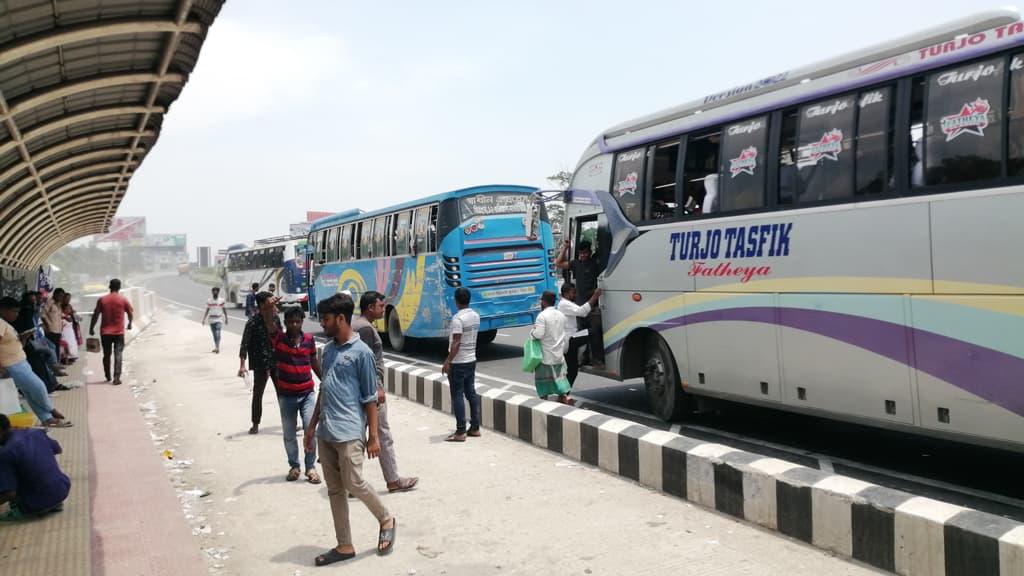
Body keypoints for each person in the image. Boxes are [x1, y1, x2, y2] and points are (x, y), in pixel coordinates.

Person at [305, 293, 396, 566]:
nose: (322, 323)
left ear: (341, 319)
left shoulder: (362, 354)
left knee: (354, 482)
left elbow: (371, 397)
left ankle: (386, 518)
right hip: (326, 432)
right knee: (335, 490)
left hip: (349, 431)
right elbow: (324, 389)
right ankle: (344, 545)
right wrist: (311, 428)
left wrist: (373, 437)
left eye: (326, 318)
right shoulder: (330, 349)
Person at [352, 291, 418, 492]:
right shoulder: (364, 329)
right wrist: (377, 387)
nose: (383, 310)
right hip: (371, 391)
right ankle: (392, 480)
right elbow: (367, 363)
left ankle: (352, 483)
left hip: (363, 390)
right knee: (382, 434)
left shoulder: (359, 325)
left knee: (358, 436)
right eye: (381, 306)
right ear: (370, 307)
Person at [0, 297, 70, 427]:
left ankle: (46, 418)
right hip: (12, 364)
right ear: (3, 310)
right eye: (13, 311)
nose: (16, 315)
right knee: (38, 387)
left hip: (19, 361)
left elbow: (11, 344)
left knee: (30, 392)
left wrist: (24, 338)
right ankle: (51, 410)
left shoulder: (5, 324)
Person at [272, 307, 321, 484]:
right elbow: (269, 324)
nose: (294, 324)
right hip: (286, 395)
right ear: (285, 323)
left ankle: (311, 468)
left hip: (307, 393)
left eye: (297, 321)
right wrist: (270, 308)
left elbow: (314, 361)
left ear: (302, 322)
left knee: (310, 430)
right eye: (290, 321)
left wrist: (325, 379)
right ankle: (294, 466)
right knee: (289, 433)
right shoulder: (279, 339)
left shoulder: (309, 340)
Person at [0, 414, 71, 520]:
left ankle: (21, 510)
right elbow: (58, 449)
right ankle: (54, 504)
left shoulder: (6, 453)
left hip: (35, 504)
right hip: (62, 491)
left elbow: (9, 494)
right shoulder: (36, 432)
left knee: (7, 479)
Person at [555, 239, 604, 369]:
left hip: (593, 305)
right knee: (583, 334)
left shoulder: (595, 264)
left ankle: (598, 360)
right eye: (580, 253)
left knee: (594, 333)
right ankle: (584, 358)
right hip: (580, 305)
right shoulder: (576, 263)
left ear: (590, 252)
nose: (583, 255)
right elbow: (558, 263)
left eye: (585, 253)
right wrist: (565, 247)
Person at [441, 287, 481, 442]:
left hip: (459, 362)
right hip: (472, 358)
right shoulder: (475, 316)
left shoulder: (458, 319)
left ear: (456, 301)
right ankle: (475, 427)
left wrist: (448, 361)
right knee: (471, 392)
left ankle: (460, 431)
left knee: (457, 394)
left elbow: (456, 342)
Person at [238, 291, 280, 434]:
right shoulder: (252, 322)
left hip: (275, 361)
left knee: (284, 394)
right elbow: (244, 344)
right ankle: (255, 423)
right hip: (260, 364)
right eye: (270, 301)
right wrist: (242, 365)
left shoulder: (275, 319)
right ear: (262, 305)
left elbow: (281, 339)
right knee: (258, 395)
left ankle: (289, 422)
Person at [558, 283, 602, 395]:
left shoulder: (566, 304)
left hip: (570, 340)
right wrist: (595, 296)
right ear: (567, 294)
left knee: (572, 370)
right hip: (570, 339)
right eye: (573, 293)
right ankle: (596, 358)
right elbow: (582, 312)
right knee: (593, 332)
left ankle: (564, 394)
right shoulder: (564, 304)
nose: (575, 295)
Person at [89, 279, 134, 385]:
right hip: (119, 333)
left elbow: (96, 314)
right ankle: (116, 377)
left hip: (105, 332)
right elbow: (130, 313)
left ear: (109, 286)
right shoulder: (123, 300)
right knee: (118, 353)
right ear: (119, 287)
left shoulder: (102, 300)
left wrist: (91, 328)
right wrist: (130, 323)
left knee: (106, 354)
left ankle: (107, 375)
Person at [530, 290, 570, 402]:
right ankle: (565, 397)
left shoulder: (542, 316)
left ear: (543, 302)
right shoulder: (561, 315)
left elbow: (538, 334)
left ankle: (544, 401)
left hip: (545, 355)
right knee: (560, 379)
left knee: (543, 385)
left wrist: (532, 331)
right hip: (558, 354)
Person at [201, 286, 228, 353]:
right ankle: (216, 347)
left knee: (217, 333)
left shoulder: (221, 300)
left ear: (218, 292)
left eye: (216, 291)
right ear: (212, 292)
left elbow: (224, 309)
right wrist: (204, 319)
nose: (215, 293)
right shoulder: (209, 300)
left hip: (219, 319)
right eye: (214, 291)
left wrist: (226, 318)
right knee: (214, 334)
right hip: (211, 319)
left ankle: (217, 347)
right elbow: (207, 310)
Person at [40, 288, 65, 353]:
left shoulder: (59, 304)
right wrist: (47, 327)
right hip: (51, 330)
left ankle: (56, 362)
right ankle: (52, 362)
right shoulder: (49, 302)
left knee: (56, 349)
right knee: (51, 349)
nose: (61, 298)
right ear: (55, 294)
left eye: (62, 296)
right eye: (60, 296)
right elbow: (42, 315)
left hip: (58, 330)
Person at [59, 292, 80, 364]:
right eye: (67, 298)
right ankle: (65, 357)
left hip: (70, 327)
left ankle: (72, 356)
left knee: (72, 341)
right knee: (65, 342)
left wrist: (77, 317)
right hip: (63, 327)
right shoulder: (59, 306)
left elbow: (73, 314)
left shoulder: (69, 306)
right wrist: (64, 317)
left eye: (69, 299)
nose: (68, 300)